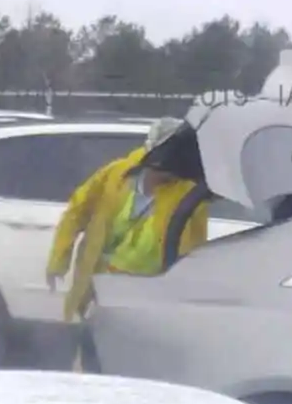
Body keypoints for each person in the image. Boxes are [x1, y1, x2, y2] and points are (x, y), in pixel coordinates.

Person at [45, 117, 208, 370]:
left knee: (134, 369)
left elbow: (195, 250)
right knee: (94, 363)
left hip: (147, 302)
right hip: (99, 294)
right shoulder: (116, 174)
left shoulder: (189, 193)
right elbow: (77, 210)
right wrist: (59, 259)